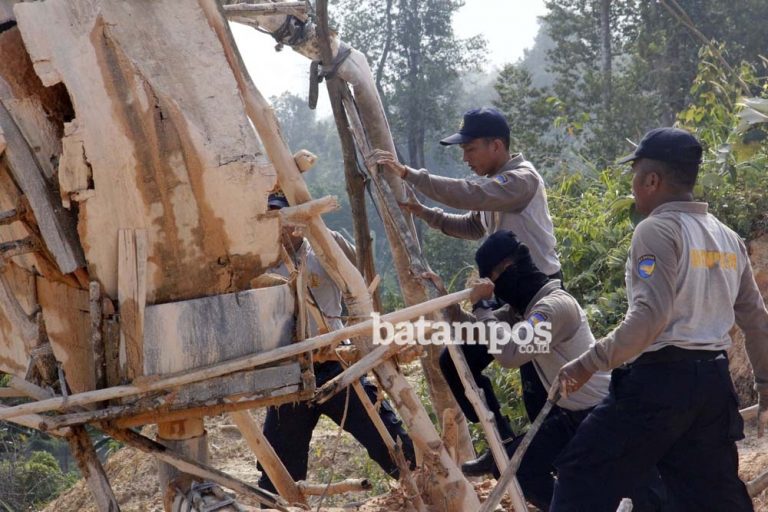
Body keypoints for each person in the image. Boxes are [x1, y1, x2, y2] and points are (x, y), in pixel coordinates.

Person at [553, 127, 768, 511]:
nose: (632, 185)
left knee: (582, 475)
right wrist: (765, 384)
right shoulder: (727, 237)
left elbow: (649, 318)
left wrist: (588, 363)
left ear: (652, 180)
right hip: (713, 386)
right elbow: (756, 321)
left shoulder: (656, 229)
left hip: (660, 382)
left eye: (635, 174)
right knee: (712, 498)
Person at [370, 106, 559, 421]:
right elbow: (473, 225)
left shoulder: (520, 180)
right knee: (456, 362)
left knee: (538, 383)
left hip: (537, 294)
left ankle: (548, 445)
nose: (465, 158)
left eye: (470, 149)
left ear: (496, 145)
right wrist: (424, 213)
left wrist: (408, 174)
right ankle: (501, 437)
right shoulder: (496, 187)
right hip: (507, 296)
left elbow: (470, 193)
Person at [431, 230, 611, 510]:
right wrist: (450, 305)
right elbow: (480, 331)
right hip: (569, 416)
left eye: (494, 280)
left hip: (599, 415)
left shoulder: (552, 307)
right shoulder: (522, 310)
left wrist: (483, 304)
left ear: (509, 268)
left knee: (609, 488)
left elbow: (510, 353)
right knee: (514, 467)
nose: (496, 290)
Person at [257, 190, 415, 497]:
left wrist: (317, 231)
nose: (279, 227)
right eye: (270, 218)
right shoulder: (260, 263)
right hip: (288, 375)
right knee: (278, 470)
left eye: (283, 216)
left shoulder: (322, 249)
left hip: (336, 365)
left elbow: (358, 277)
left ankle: (426, 490)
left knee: (388, 439)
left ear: (296, 219)